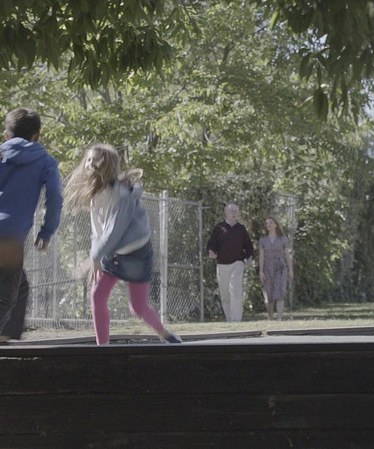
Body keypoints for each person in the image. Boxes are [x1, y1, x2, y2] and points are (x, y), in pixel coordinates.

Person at [64, 143, 180, 345]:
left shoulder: (121, 195)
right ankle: (103, 347)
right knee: (97, 295)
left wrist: (93, 258)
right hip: (112, 251)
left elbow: (114, 230)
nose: (89, 164)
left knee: (138, 307)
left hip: (135, 253)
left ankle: (164, 334)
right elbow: (98, 230)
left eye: (94, 160)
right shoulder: (96, 194)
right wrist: (95, 256)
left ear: (106, 165)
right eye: (88, 160)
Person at [0, 108, 63, 344]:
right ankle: (4, 335)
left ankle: (7, 336)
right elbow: (55, 197)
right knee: (8, 293)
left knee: (19, 286)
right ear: (37, 135)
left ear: (7, 134)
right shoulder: (45, 161)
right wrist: (47, 231)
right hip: (10, 237)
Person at [207, 203, 254, 322]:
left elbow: (248, 246)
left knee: (235, 289)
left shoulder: (241, 229)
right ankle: (229, 320)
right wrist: (211, 252)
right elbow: (211, 244)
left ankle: (236, 319)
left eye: (236, 211)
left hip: (237, 263)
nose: (234, 213)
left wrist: (249, 258)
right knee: (225, 294)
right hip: (222, 265)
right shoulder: (219, 228)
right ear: (226, 212)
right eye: (232, 211)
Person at [259, 217, 292, 320]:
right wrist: (261, 271)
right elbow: (261, 256)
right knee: (269, 294)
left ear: (276, 225)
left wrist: (290, 269)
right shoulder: (263, 240)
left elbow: (287, 255)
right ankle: (271, 318)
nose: (268, 225)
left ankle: (279, 318)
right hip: (267, 269)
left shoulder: (283, 239)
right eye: (266, 223)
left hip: (281, 268)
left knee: (280, 292)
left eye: (271, 222)